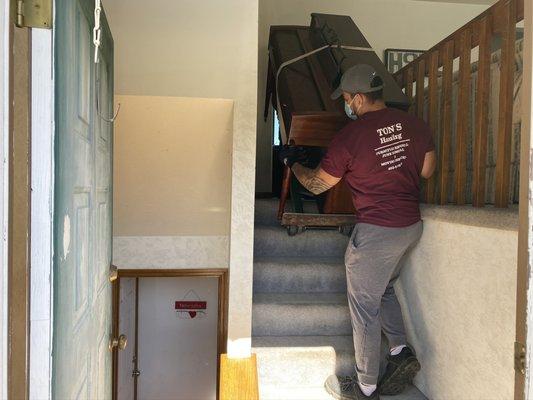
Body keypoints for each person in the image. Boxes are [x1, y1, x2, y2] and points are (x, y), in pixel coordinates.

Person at [279, 64, 436, 400]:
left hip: (377, 231)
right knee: (386, 287)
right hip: (410, 226)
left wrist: (294, 163)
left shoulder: (350, 136)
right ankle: (399, 351)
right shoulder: (416, 126)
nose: (346, 104)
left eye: (347, 98)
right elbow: (427, 170)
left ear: (360, 97)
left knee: (363, 306)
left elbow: (319, 184)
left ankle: (365, 387)